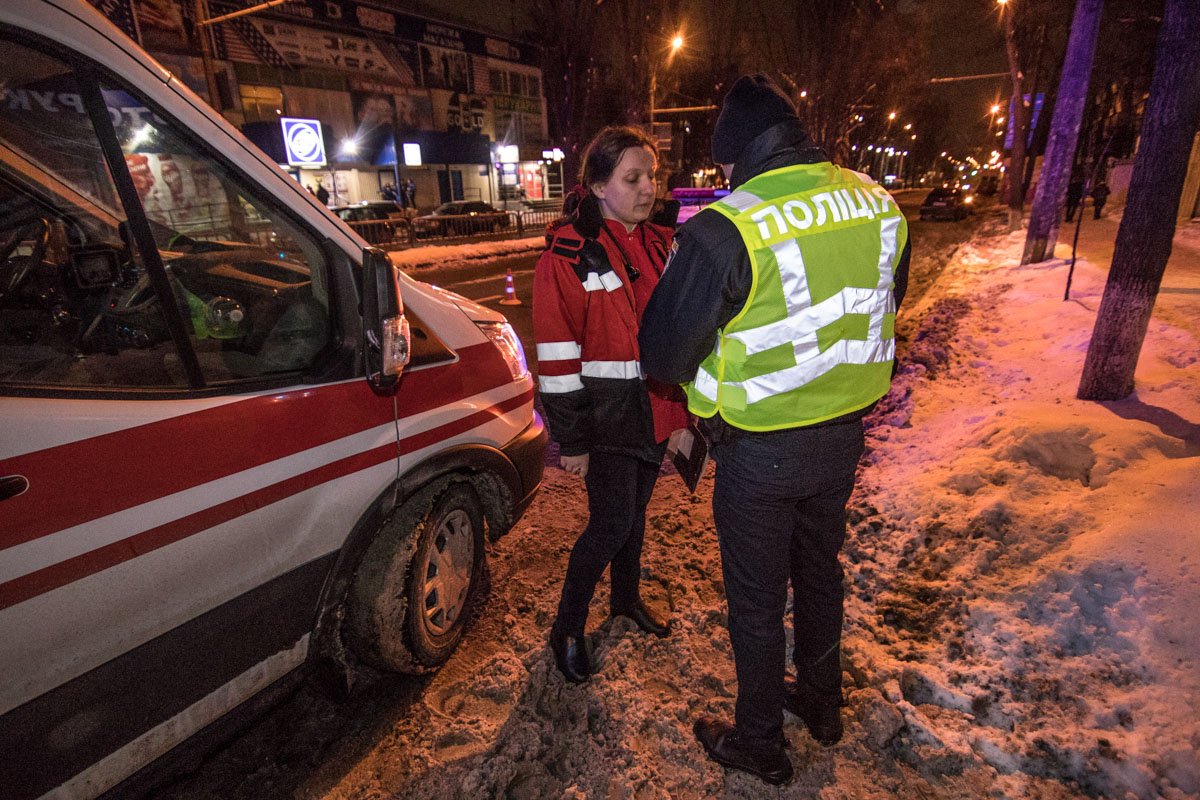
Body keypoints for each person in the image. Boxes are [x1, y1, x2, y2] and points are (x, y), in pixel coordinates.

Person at [640, 75, 911, 786]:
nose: (724, 178)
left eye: (723, 166)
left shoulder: (727, 227)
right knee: (820, 573)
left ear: (738, 155)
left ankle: (761, 742)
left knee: (757, 604)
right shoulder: (876, 202)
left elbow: (663, 354)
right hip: (844, 438)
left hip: (761, 451)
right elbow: (881, 302)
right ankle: (822, 705)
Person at [533, 126, 690, 684]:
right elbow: (554, 357)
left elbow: (673, 334)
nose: (648, 188)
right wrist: (571, 441)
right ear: (598, 185)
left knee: (635, 518)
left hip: (652, 412)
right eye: (632, 178)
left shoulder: (657, 242)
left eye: (652, 176)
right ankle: (567, 629)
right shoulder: (567, 254)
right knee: (609, 525)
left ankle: (625, 601)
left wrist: (682, 415)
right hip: (606, 420)